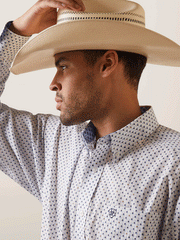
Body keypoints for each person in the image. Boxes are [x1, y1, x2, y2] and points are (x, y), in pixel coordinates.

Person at [0, 0, 180, 239]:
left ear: (107, 64)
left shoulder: (174, 165)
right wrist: (17, 33)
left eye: (63, 66)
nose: (53, 83)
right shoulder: (51, 145)